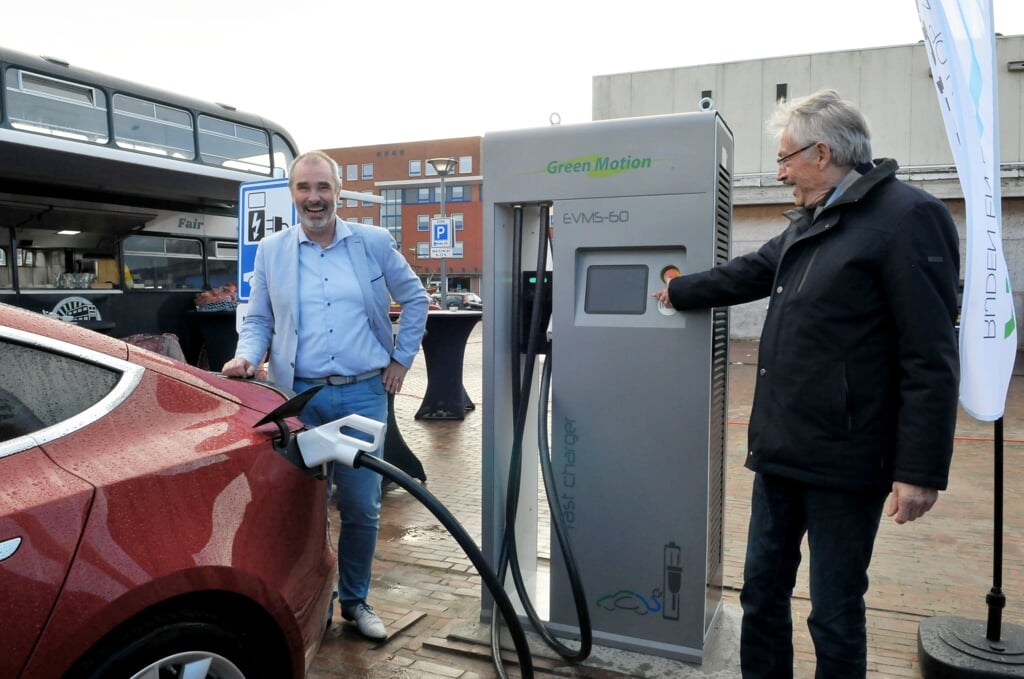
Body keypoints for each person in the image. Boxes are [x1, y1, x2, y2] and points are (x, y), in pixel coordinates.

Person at [652, 89, 960, 677]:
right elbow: (750, 271)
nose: (780, 171)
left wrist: (920, 469)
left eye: (786, 157)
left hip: (848, 459)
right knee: (761, 595)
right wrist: (677, 289)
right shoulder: (810, 224)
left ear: (822, 154)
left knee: (834, 612)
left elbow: (931, 353)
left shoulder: (907, 217)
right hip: (782, 450)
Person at [222, 150, 428, 641]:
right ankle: (310, 601)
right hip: (302, 401)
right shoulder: (273, 251)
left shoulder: (373, 243)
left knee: (361, 506)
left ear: (337, 192)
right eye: (303, 188)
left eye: (322, 188)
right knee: (301, 508)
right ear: (292, 193)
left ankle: (355, 601)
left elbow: (416, 298)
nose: (313, 198)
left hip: (363, 396)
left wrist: (401, 359)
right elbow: (259, 320)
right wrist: (245, 356)